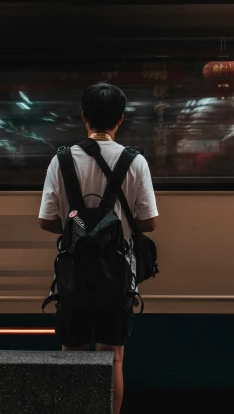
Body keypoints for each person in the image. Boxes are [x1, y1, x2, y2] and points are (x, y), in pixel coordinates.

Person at [38, 82, 158, 414]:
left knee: (72, 355)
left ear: (83, 117)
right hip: (116, 273)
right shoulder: (135, 162)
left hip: (73, 272)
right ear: (120, 119)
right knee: (112, 357)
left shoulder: (60, 160)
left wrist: (74, 222)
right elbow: (148, 223)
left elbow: (47, 221)